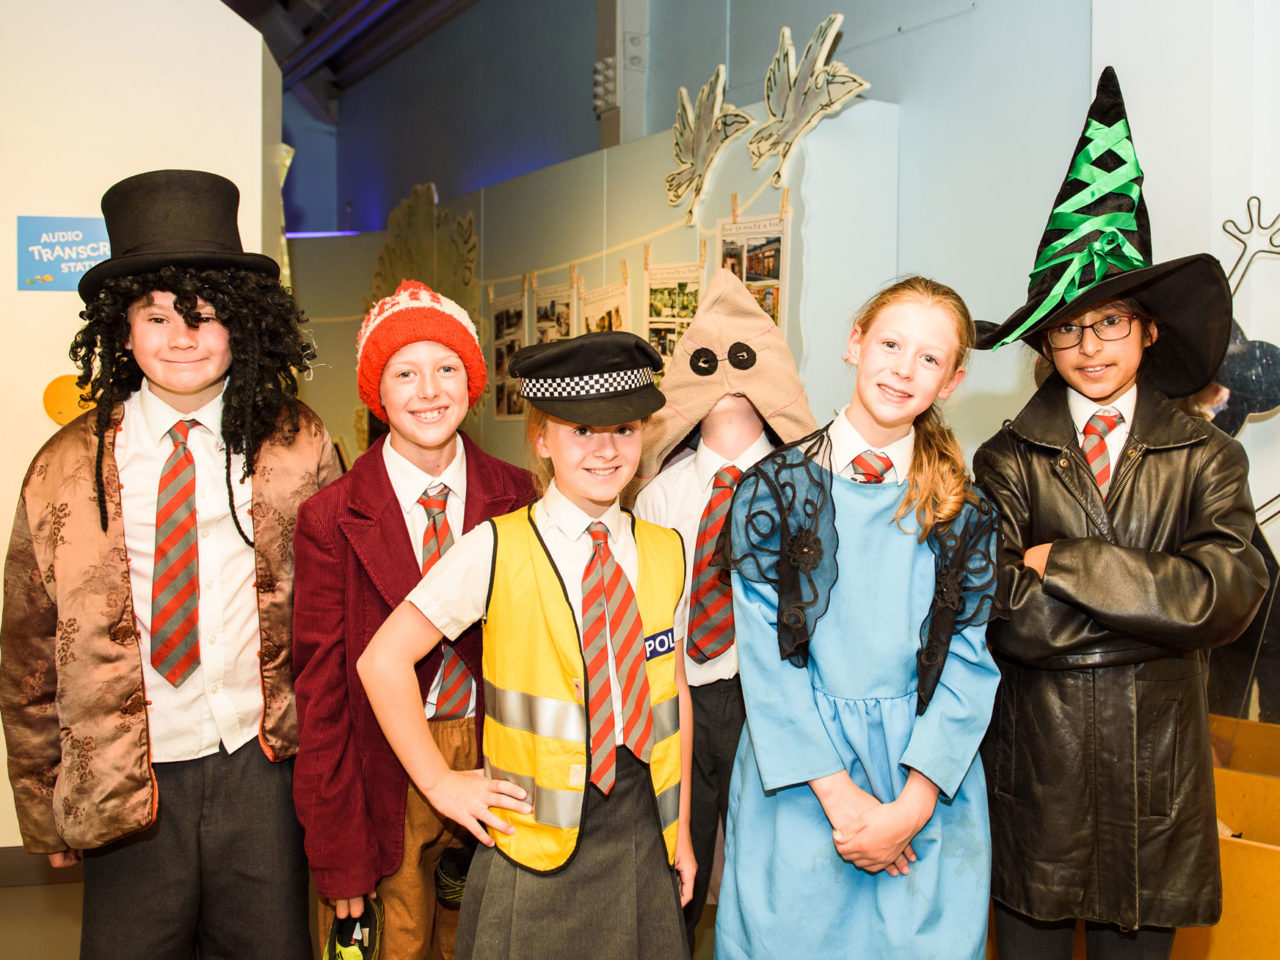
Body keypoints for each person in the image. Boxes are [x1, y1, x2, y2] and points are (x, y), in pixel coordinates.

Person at [0, 169, 341, 959]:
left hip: (265, 765)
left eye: (204, 315)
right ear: (122, 332)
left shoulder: (299, 445)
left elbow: (341, 613)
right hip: (128, 774)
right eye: (156, 317)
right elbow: (25, 650)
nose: (181, 337)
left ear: (241, 326)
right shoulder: (63, 467)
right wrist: (41, 799)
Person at [972, 68, 1269, 960]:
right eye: (1067, 329)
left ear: (1147, 331)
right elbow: (1000, 617)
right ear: (1045, 345)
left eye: (1108, 324)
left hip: (1158, 793)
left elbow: (1225, 597)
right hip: (1038, 787)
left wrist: (1060, 562)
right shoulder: (1006, 457)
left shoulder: (1208, 453)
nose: (1088, 347)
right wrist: (1156, 615)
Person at [357, 332, 695, 960]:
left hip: (641, 822)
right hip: (535, 832)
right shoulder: (496, 547)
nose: (604, 450)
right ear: (542, 439)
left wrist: (681, 831)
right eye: (579, 431)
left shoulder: (665, 549)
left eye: (623, 429)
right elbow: (381, 661)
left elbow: (670, 688)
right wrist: (440, 784)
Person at [714, 276, 1001, 960]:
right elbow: (766, 663)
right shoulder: (773, 493)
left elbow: (968, 661)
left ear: (953, 380)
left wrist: (909, 807)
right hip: (802, 779)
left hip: (924, 780)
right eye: (891, 344)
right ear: (854, 344)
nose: (904, 368)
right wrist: (843, 802)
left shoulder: (964, 511)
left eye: (929, 358)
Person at [291, 280, 535, 959]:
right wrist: (336, 852)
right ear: (377, 392)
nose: (428, 390)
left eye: (446, 368)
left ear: (472, 381)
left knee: (488, 937)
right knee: (395, 943)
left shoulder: (517, 495)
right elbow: (322, 695)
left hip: (494, 762)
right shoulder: (331, 518)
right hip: (382, 774)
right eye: (405, 372)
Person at [631, 267, 816, 945]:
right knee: (675, 847)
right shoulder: (660, 496)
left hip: (769, 691)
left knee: (768, 849)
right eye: (711, 364)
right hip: (680, 690)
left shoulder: (803, 487)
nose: (730, 383)